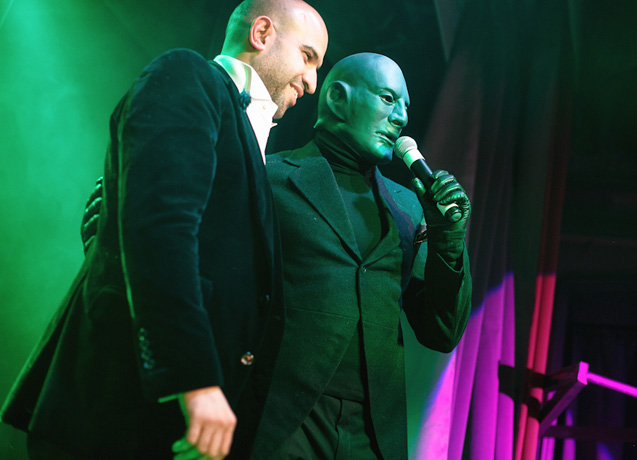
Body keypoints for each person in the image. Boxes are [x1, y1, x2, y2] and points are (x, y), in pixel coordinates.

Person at [0, 1, 328, 459]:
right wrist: (193, 378)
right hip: (113, 412)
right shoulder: (188, 74)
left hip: (161, 425)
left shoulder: (246, 132)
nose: (312, 82)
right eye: (308, 57)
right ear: (261, 33)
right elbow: (161, 226)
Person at [252, 52, 472, 459]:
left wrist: (449, 239)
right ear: (338, 98)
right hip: (282, 421)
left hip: (372, 435)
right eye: (389, 98)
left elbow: (441, 331)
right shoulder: (270, 177)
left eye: (406, 106)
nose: (401, 117)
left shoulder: (407, 207)